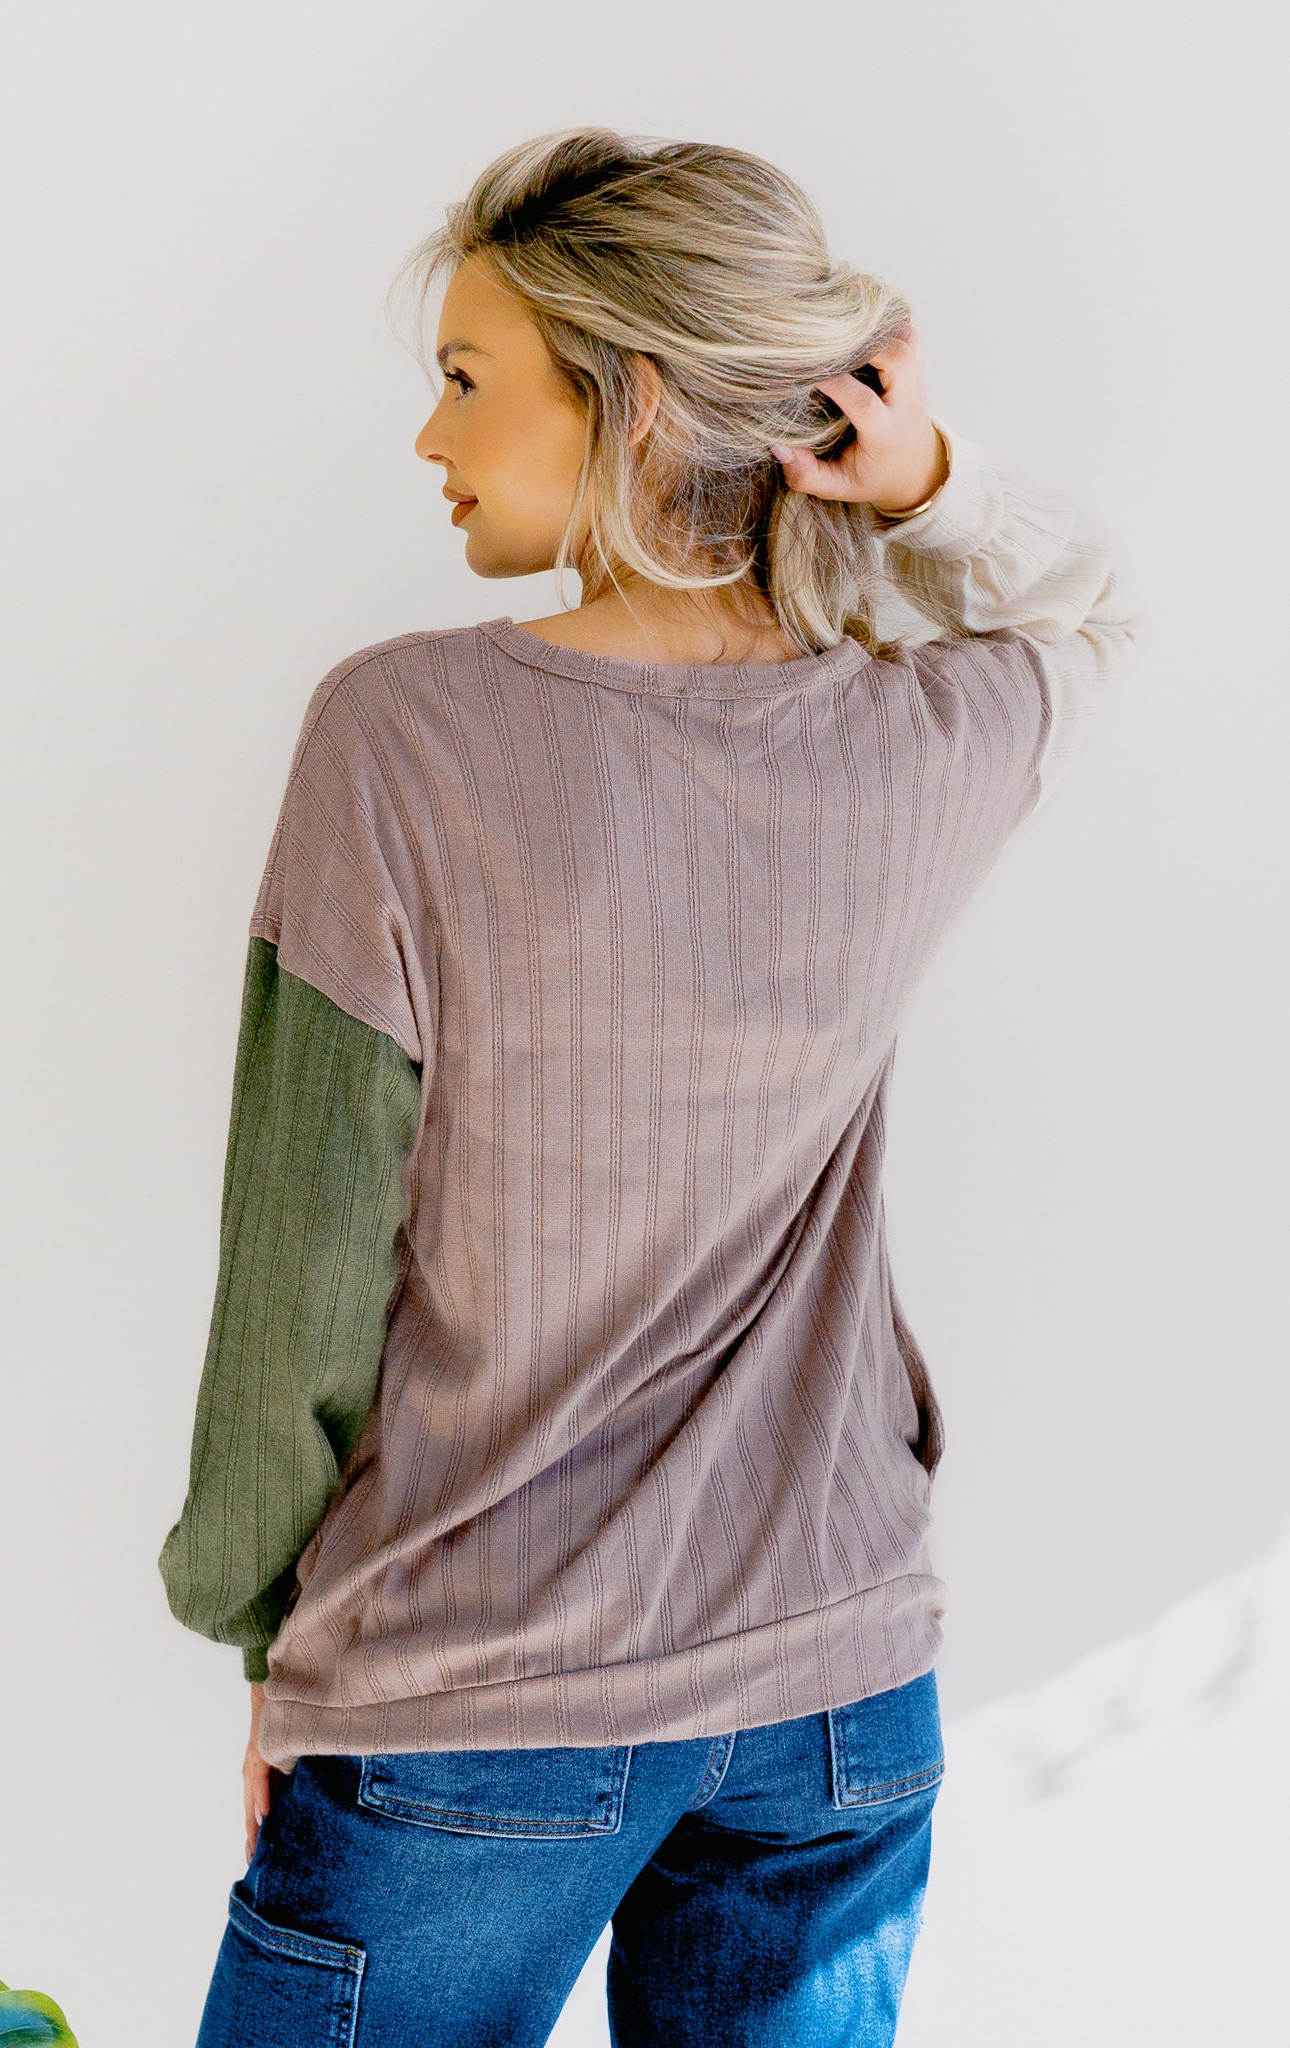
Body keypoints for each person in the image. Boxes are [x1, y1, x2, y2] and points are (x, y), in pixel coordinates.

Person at [158, 127, 1143, 2047]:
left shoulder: (402, 734)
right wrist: (926, 483)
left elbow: (300, 1274)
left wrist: (260, 1628)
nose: (429, 437)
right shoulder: (921, 734)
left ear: (636, 398)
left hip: (476, 1698)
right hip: (837, 1699)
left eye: (466, 379)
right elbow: (1086, 615)